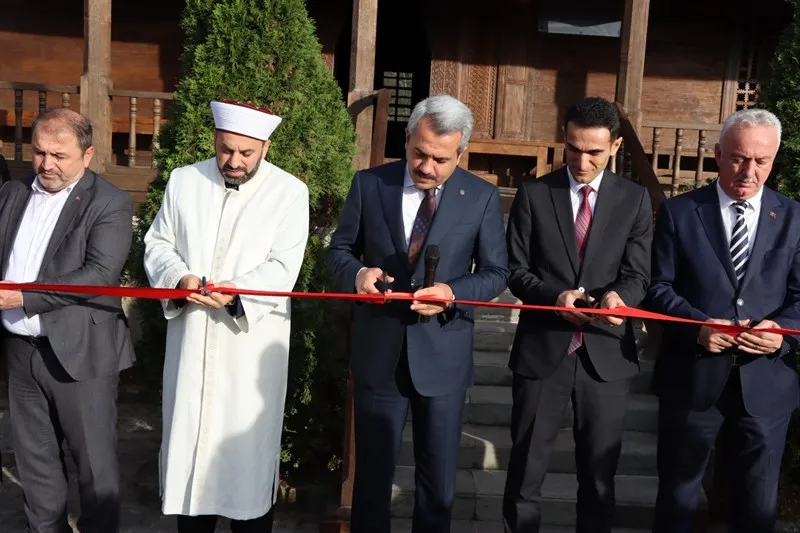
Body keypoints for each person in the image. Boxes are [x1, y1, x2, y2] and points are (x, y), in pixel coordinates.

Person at [326, 94, 509, 533]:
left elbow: (496, 272)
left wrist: (452, 291)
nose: (427, 167)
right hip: (380, 354)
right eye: (419, 154)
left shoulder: (480, 197)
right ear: (407, 139)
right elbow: (338, 251)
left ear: (460, 153)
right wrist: (357, 275)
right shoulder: (370, 184)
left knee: (437, 485)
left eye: (441, 159)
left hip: (443, 355)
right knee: (371, 482)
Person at [143, 99, 309, 533]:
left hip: (248, 345)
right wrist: (179, 277)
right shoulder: (184, 181)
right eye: (225, 149)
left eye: (245, 153)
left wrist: (238, 294)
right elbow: (157, 243)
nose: (233, 161)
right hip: (192, 337)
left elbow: (282, 266)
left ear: (266, 148)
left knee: (246, 469)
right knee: (190, 462)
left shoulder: (290, 192)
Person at [502, 96, 653, 533]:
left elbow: (639, 274)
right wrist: (555, 297)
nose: (582, 161)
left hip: (606, 354)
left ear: (616, 146)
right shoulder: (534, 193)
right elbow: (515, 271)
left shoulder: (635, 199)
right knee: (526, 471)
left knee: (599, 477)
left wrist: (618, 298)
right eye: (572, 148)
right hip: (543, 348)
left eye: (594, 152)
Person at [648, 109, 800, 533]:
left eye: (761, 161)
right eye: (738, 158)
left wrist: (783, 337)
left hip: (766, 383)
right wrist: (697, 326)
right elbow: (658, 288)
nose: (749, 172)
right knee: (678, 496)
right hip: (693, 378)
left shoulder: (794, 218)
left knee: (756, 504)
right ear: (717, 154)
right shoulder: (680, 213)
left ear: (774, 161)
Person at [0, 108, 135, 533]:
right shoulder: (12, 193)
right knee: (36, 465)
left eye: (59, 155)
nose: (46, 164)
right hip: (20, 352)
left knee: (94, 469)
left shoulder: (109, 202)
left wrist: (24, 295)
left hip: (82, 352)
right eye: (39, 152)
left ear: (88, 155)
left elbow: (99, 274)